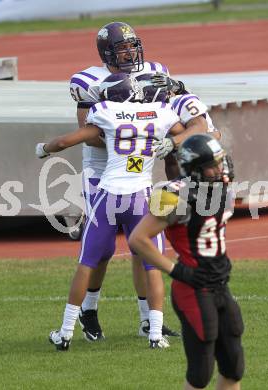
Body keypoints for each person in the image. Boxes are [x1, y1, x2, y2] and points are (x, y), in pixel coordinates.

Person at [36, 72, 191, 350]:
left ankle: (66, 332)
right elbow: (185, 131)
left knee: (86, 263)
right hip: (141, 198)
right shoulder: (157, 111)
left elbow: (65, 141)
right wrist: (171, 142)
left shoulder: (104, 112)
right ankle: (155, 333)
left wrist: (43, 149)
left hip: (108, 196)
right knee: (152, 264)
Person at [67, 21, 188, 341]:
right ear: (106, 52)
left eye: (132, 46)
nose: (129, 52)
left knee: (143, 245)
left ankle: (149, 320)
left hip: (141, 168)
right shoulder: (86, 81)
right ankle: (88, 310)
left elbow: (174, 109)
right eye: (121, 48)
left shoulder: (156, 70)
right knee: (102, 248)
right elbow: (88, 136)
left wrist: (175, 92)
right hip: (102, 170)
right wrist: (130, 131)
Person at [129, 134, 244, 389]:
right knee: (200, 373)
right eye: (212, 165)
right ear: (194, 170)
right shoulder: (175, 197)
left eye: (220, 162)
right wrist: (176, 270)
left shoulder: (219, 187)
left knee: (234, 367)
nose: (220, 169)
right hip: (192, 287)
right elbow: (138, 239)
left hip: (219, 284)